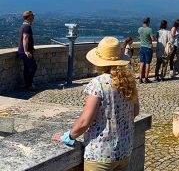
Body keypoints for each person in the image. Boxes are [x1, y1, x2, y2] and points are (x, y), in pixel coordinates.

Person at [53, 36, 139, 171]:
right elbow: (135, 112)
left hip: (100, 155)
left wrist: (68, 136)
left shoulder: (98, 83)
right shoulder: (129, 82)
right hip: (124, 150)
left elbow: (84, 122)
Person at [18, 10, 37, 91]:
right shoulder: (27, 27)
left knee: (27, 68)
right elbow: (25, 38)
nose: (33, 18)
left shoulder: (23, 26)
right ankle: (29, 84)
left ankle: (28, 85)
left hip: (22, 50)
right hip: (25, 51)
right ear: (29, 17)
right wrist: (26, 51)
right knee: (33, 67)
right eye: (32, 16)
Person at [138, 17, 154, 84]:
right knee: (147, 64)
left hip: (141, 47)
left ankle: (140, 78)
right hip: (148, 47)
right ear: (148, 22)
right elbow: (152, 39)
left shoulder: (139, 29)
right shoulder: (149, 29)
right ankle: (146, 78)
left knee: (142, 63)